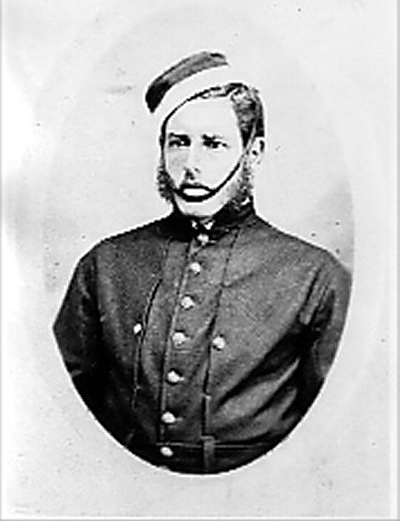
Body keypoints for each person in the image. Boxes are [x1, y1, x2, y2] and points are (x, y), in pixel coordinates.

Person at [53, 51, 351, 475]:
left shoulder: (316, 277)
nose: (190, 166)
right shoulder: (105, 265)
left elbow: (337, 436)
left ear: (253, 152)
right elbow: (59, 411)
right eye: (178, 142)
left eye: (213, 144)